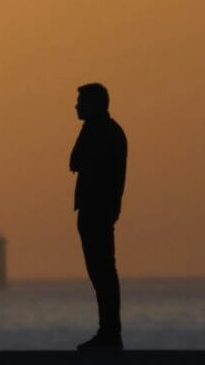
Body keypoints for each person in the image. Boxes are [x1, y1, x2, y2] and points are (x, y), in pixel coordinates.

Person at [70, 83, 127, 350]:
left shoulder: (101, 132)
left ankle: (109, 333)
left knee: (102, 273)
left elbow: (75, 161)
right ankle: (108, 331)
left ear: (94, 105)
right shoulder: (110, 132)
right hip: (99, 210)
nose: (77, 106)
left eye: (81, 102)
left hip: (97, 210)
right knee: (102, 273)